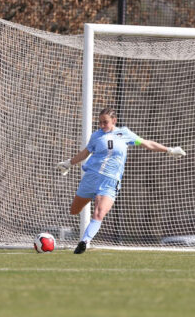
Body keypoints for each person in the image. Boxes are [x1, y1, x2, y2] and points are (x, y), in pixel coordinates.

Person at [57, 107, 186, 254]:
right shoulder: (96, 136)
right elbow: (85, 153)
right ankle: (84, 237)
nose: (102, 125)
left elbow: (146, 143)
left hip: (110, 182)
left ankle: (84, 242)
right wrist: (69, 163)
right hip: (91, 178)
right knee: (74, 210)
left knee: (99, 213)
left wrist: (169, 150)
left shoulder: (124, 133)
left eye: (105, 122)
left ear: (114, 121)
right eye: (100, 122)